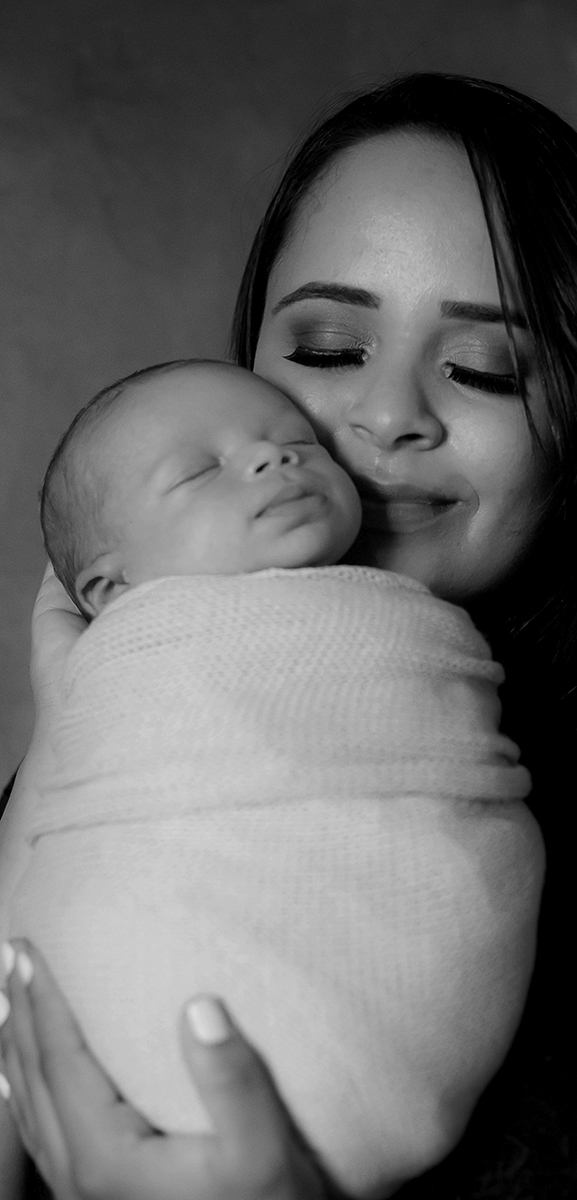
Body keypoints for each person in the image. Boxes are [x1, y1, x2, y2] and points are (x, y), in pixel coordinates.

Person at [1, 69, 577, 1200]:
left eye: (481, 368)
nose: (385, 419)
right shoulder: (132, 738)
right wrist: (59, 762)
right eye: (327, 351)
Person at [5, 357, 541, 1198]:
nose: (275, 459)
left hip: (404, 997)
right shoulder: (106, 702)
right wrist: (71, 711)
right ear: (112, 589)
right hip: (148, 1007)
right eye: (331, 350)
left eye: (293, 442)